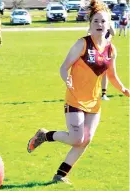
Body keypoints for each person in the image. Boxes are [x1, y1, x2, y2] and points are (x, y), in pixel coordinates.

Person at [27, 0, 129, 184]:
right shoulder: (82, 44)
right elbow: (63, 67)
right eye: (96, 21)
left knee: (85, 140)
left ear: (109, 25)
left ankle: (61, 175)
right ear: (90, 25)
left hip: (94, 101)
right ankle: (45, 135)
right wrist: (66, 77)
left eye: (103, 21)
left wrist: (123, 89)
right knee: (76, 138)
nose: (99, 24)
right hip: (75, 99)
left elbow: (112, 76)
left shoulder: (111, 49)